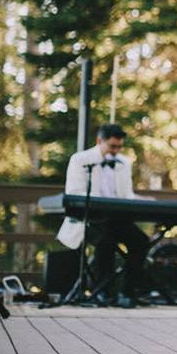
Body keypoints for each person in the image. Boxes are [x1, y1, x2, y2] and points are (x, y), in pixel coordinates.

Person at [56, 124, 149, 309]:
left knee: (141, 241)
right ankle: (102, 292)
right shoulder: (80, 160)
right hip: (89, 219)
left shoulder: (124, 163)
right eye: (112, 146)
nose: (116, 151)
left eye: (119, 147)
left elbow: (126, 195)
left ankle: (127, 292)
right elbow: (75, 193)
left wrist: (143, 201)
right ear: (99, 141)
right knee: (106, 242)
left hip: (117, 218)